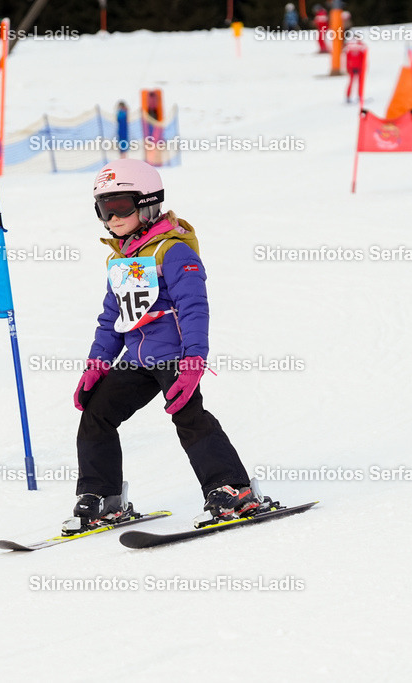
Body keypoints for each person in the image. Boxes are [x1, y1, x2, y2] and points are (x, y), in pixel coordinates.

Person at [65, 159, 260, 533]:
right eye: (104, 209)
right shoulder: (120, 258)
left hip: (174, 358)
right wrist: (97, 364)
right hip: (137, 360)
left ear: (148, 203)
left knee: (188, 416)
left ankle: (232, 489)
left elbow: (193, 307)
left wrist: (194, 359)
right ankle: (103, 496)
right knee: (96, 414)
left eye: (121, 206)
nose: (113, 217)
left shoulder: (173, 251)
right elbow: (112, 318)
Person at [344, 37, 367, 103]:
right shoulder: (361, 47)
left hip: (352, 67)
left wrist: (348, 67)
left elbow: (347, 58)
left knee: (351, 82)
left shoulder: (349, 47)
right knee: (359, 82)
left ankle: (348, 96)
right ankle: (359, 96)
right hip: (359, 67)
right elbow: (363, 58)